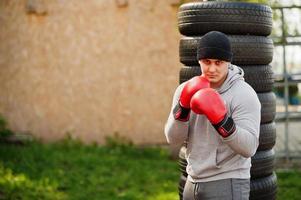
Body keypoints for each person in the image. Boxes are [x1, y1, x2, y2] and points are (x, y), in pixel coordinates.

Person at [164, 31, 261, 200]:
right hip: (192, 181)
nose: (212, 69)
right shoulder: (185, 89)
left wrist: (222, 121)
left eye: (219, 62)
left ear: (228, 62)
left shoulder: (244, 94)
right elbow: (173, 139)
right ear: (199, 60)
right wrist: (183, 108)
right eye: (206, 62)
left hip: (228, 181)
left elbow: (249, 147)